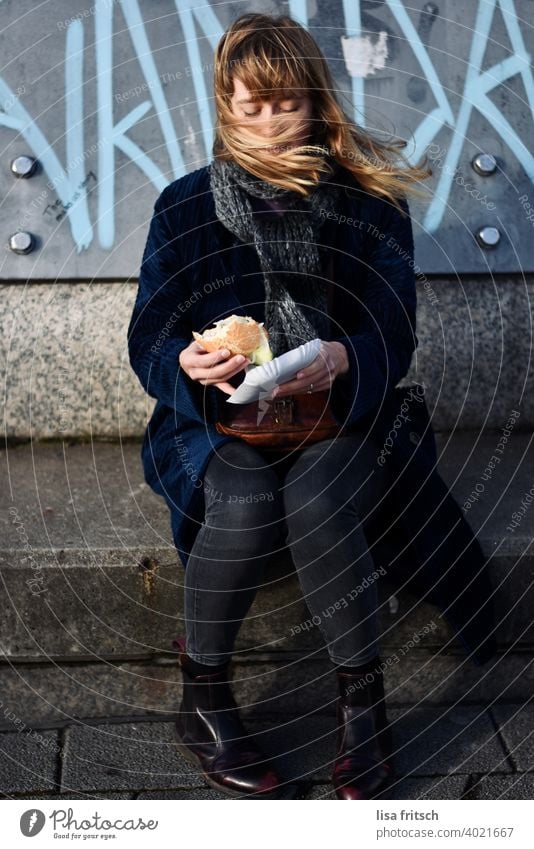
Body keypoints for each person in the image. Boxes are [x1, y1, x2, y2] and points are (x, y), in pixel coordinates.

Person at [127, 12, 489, 800]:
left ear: (317, 103)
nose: (267, 123)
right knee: (247, 499)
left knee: (321, 496)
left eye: (283, 104)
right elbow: (150, 332)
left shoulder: (369, 202)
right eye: (249, 107)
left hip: (339, 418)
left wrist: (344, 356)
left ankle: (364, 709)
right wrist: (184, 362)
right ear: (226, 107)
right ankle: (206, 702)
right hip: (217, 424)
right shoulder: (185, 205)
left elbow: (394, 330)